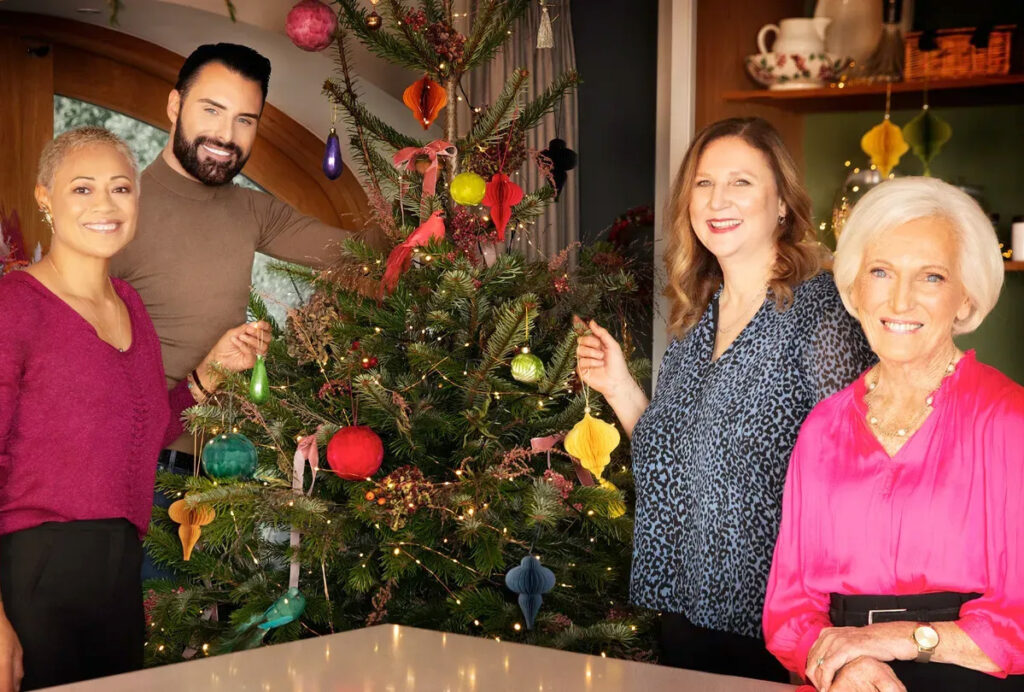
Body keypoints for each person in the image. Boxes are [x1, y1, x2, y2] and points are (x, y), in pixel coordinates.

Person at [575, 117, 875, 682]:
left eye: (741, 182)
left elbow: (858, 474)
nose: (718, 199)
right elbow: (683, 464)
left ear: (782, 203)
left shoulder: (824, 313)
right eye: (704, 183)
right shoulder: (695, 324)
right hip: (687, 614)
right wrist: (619, 386)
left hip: (783, 630)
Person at [0, 127, 268, 691]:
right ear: (44, 197)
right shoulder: (15, 307)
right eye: (83, 189)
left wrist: (213, 368)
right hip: (34, 570)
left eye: (121, 188)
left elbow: (146, 431)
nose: (105, 204)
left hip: (120, 570)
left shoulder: (130, 307)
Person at [763, 177, 1024, 692]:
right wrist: (849, 662)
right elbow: (790, 611)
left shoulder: (1007, 419)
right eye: (880, 271)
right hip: (845, 680)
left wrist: (896, 639)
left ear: (965, 295)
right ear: (856, 288)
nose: (900, 300)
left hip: (971, 680)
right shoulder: (823, 429)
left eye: (930, 277)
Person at [110, 42, 369, 468]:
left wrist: (430, 215)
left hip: (230, 465)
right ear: (175, 105)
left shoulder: (253, 211)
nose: (226, 136)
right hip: (142, 461)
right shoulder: (116, 215)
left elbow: (355, 254)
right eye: (211, 110)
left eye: (244, 120)